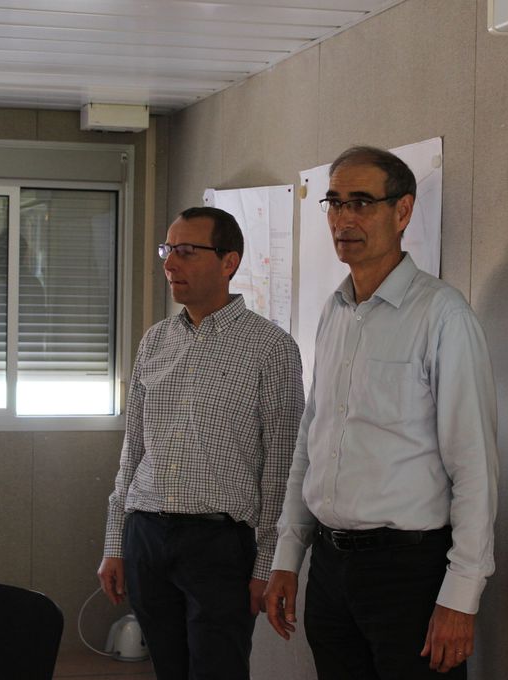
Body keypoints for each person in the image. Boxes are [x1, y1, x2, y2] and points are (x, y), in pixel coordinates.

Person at [264, 146, 499, 679]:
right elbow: (312, 439)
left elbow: (475, 466)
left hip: (408, 572)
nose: (345, 218)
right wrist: (287, 556)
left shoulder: (443, 316)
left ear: (403, 211)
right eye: (335, 203)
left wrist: (461, 596)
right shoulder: (335, 311)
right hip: (330, 564)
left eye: (363, 203)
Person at [97, 207, 304, 680]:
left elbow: (281, 466)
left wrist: (267, 564)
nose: (170, 264)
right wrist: (116, 543)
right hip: (147, 533)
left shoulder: (270, 348)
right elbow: (133, 451)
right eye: (168, 250)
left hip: (219, 545)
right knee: (168, 669)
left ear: (229, 262)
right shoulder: (155, 341)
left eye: (187, 251)